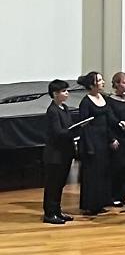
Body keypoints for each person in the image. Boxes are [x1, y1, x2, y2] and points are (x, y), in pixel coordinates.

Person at [77, 71, 115, 216]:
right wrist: (89, 146)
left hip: (104, 139)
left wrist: (113, 137)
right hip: (92, 141)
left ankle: (101, 202)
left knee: (103, 172)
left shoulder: (104, 98)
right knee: (92, 174)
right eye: (99, 80)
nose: (103, 82)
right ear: (92, 84)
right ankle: (91, 204)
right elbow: (84, 126)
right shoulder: (86, 102)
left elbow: (109, 120)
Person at [42, 80, 75, 224]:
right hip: (55, 154)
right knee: (52, 185)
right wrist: (72, 131)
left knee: (60, 184)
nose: (67, 93)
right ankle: (49, 213)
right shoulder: (52, 111)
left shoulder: (65, 108)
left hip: (65, 152)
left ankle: (57, 210)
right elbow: (57, 132)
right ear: (55, 94)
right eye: (63, 91)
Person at [106, 71, 125, 208]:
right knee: (116, 167)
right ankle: (113, 195)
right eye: (124, 83)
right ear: (116, 84)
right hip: (117, 137)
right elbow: (109, 121)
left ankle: (123, 194)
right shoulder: (109, 100)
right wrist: (112, 138)